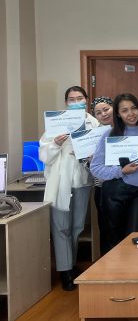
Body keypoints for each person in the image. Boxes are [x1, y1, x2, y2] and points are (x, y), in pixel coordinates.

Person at [39, 86, 99, 291]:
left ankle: (71, 265)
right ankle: (65, 272)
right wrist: (55, 144)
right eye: (71, 99)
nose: (76, 102)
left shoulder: (93, 123)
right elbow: (43, 155)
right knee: (61, 227)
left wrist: (89, 155)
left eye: (79, 98)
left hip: (82, 181)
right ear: (66, 103)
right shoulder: (55, 123)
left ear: (86, 100)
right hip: (60, 182)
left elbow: (98, 152)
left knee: (77, 226)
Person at [90, 93, 138, 251]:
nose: (131, 113)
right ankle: (112, 268)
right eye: (125, 110)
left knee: (134, 237)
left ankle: (132, 267)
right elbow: (95, 168)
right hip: (114, 192)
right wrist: (121, 171)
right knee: (113, 238)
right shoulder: (109, 135)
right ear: (118, 114)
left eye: (134, 108)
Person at [90, 96, 113, 256]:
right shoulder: (91, 135)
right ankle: (107, 263)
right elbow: (90, 167)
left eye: (106, 109)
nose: (103, 114)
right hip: (102, 187)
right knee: (105, 228)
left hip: (125, 185)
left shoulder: (126, 129)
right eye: (98, 113)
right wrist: (89, 160)